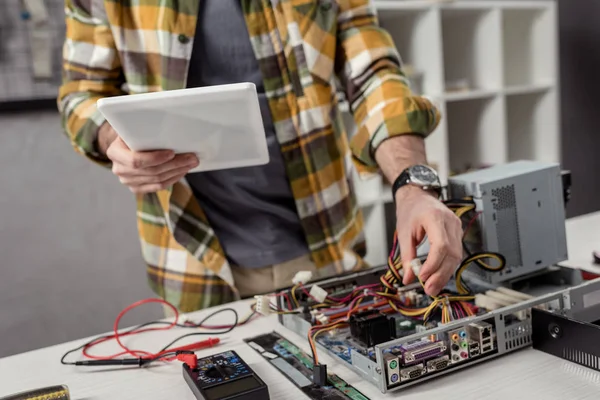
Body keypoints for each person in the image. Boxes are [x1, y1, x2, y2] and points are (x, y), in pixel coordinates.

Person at [58, 0, 463, 312]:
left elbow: (373, 72)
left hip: (326, 250)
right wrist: (111, 137)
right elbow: (80, 92)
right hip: (191, 264)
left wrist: (413, 185)